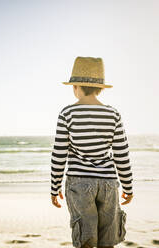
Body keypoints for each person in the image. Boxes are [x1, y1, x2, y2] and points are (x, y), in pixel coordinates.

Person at [50, 56, 134, 248]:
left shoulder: (67, 113)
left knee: (85, 239)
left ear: (75, 87)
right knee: (108, 238)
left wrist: (54, 187)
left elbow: (59, 154)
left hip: (79, 183)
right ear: (100, 89)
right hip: (108, 183)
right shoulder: (113, 114)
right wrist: (128, 187)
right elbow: (122, 154)